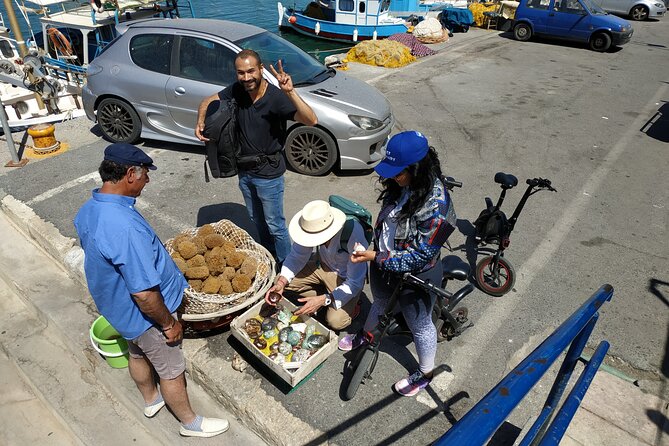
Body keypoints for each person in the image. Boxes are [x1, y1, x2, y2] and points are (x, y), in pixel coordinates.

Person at [74, 143, 229, 438]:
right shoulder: (124, 227)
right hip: (146, 317)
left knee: (136, 354)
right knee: (171, 368)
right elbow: (145, 294)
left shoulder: (90, 209)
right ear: (130, 173)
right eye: (146, 173)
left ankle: (151, 399)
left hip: (117, 310)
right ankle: (190, 423)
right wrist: (168, 324)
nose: (148, 180)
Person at [339, 131, 457, 397]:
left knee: (420, 324)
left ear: (418, 169)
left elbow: (421, 255)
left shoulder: (436, 204)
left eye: (398, 172)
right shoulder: (400, 184)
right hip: (384, 264)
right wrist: (376, 250)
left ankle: (425, 372)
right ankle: (367, 336)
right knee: (379, 303)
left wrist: (374, 257)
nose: (392, 177)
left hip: (417, 275)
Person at [195, 49, 317, 265]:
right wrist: (201, 122)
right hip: (244, 171)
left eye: (251, 71)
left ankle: (288, 269)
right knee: (257, 222)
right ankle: (270, 259)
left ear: (261, 69)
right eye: (241, 73)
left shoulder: (276, 98)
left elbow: (311, 120)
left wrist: (290, 92)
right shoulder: (237, 90)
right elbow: (206, 101)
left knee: (275, 226)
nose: (246, 77)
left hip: (269, 175)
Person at [264, 200, 368, 330]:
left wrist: (324, 299)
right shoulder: (312, 224)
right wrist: (281, 282)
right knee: (279, 280)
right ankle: (323, 297)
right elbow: (297, 256)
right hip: (321, 265)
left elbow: (354, 282)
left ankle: (350, 306)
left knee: (335, 321)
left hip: (345, 278)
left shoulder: (354, 235)